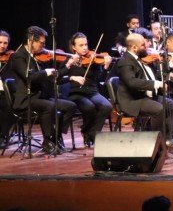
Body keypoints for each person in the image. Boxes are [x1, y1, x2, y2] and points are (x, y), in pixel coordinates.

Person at [9, 26, 78, 154]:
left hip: (40, 97)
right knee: (49, 106)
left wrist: (66, 67)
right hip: (26, 99)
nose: (44, 45)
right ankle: (47, 140)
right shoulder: (19, 57)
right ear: (31, 41)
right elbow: (29, 77)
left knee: (70, 106)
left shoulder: (36, 56)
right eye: (41, 42)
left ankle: (57, 138)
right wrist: (46, 72)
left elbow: (52, 78)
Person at [116, 33, 173, 144]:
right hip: (133, 100)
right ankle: (156, 141)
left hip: (145, 96)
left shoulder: (139, 59)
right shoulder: (125, 62)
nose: (146, 47)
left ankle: (170, 138)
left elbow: (153, 76)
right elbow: (132, 82)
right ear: (134, 47)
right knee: (159, 109)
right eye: (143, 45)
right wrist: (156, 84)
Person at [64, 32, 113, 147]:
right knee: (89, 107)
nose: (85, 48)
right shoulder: (68, 60)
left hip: (92, 91)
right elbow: (60, 77)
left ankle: (92, 134)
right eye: (81, 45)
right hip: (76, 93)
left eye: (86, 44)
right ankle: (87, 132)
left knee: (107, 106)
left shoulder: (93, 59)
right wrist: (72, 76)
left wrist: (105, 67)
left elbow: (100, 80)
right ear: (73, 47)